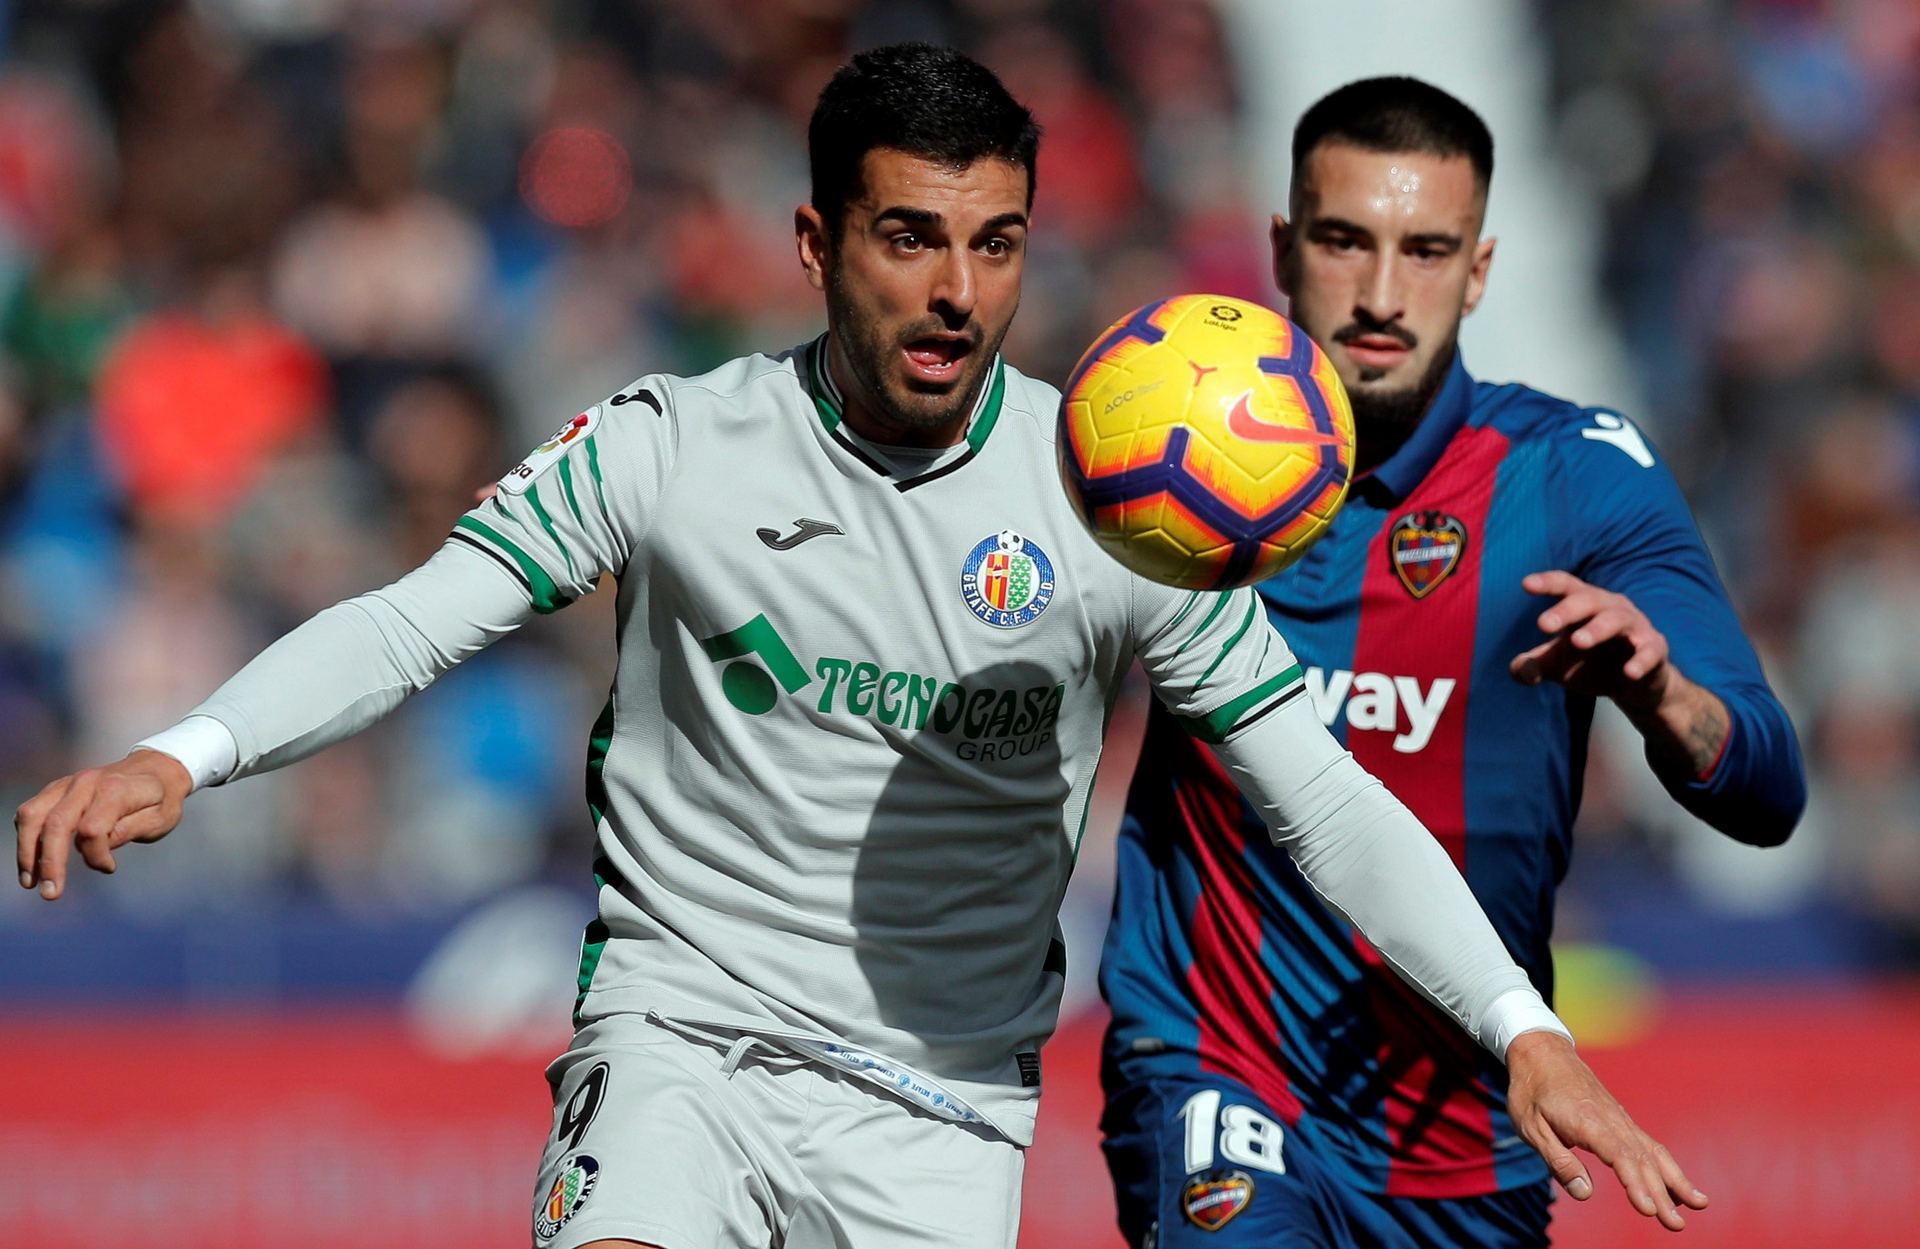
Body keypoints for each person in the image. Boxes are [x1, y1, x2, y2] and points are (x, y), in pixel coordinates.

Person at [18, 48, 1701, 1249]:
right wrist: (188, 752)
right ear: (819, 245)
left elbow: (1320, 799)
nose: (959, 289)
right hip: (683, 1033)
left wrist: (1515, 1020)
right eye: (911, 237)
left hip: (941, 1104)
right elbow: (414, 618)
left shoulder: (1124, 507)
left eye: (996, 241)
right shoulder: (670, 444)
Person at [1098, 76, 1806, 1249]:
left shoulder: (1576, 474)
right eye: (1344, 241)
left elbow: (1770, 787)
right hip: (1217, 1068)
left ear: (1478, 270)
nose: (1382, 293)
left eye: (1427, 251)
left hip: (1469, 1124)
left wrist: (1664, 694)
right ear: (1282, 248)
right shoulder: (1170, 457)